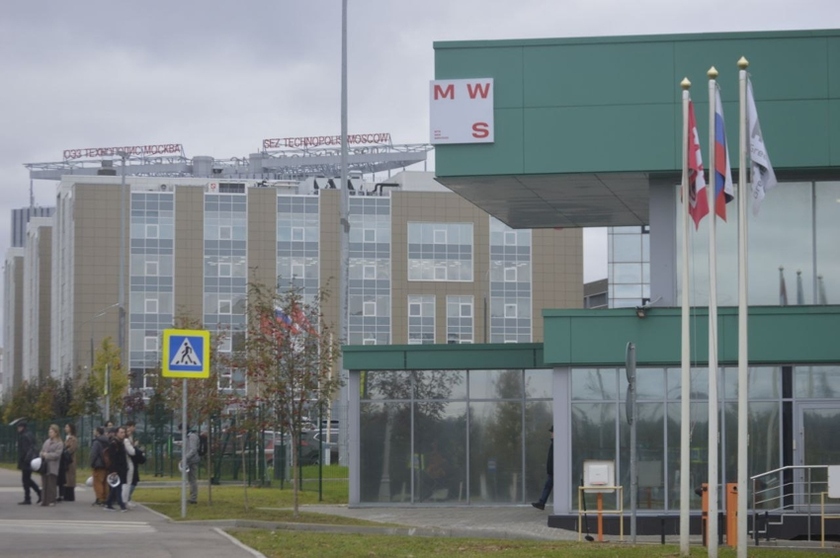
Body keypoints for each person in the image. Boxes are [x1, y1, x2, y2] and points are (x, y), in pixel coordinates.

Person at [16, 420, 42, 505]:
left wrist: (22, 459)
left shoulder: (23, 436)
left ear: (22, 427)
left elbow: (24, 450)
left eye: (19, 427)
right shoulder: (30, 435)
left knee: (25, 480)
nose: (18, 429)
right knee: (27, 479)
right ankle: (37, 493)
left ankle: (29, 497)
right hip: (31, 459)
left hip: (26, 460)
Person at [39, 424, 64, 507]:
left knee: (51, 484)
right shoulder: (47, 441)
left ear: (56, 433)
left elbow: (57, 455)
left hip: (53, 466)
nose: (50, 433)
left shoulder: (59, 443)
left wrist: (47, 455)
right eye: (49, 432)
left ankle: (52, 500)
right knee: (44, 483)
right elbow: (41, 451)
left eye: (51, 432)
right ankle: (44, 500)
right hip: (45, 466)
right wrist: (42, 454)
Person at [105, 426, 128, 511]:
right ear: (116, 433)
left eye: (124, 432)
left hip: (121, 468)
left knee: (115, 487)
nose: (123, 434)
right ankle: (121, 505)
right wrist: (113, 470)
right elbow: (112, 458)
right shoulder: (114, 443)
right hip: (116, 469)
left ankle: (108, 503)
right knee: (118, 487)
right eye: (121, 432)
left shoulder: (120, 443)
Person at [531, 425, 554, 511]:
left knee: (548, 486)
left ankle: (542, 502)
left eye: (552, 432)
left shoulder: (556, 444)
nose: (551, 434)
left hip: (554, 471)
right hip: (552, 471)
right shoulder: (554, 443)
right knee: (548, 486)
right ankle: (541, 503)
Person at [179, 423, 200, 504]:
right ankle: (192, 497)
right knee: (190, 480)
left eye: (181, 430)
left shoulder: (192, 437)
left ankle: (193, 498)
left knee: (192, 480)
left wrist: (185, 458)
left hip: (192, 460)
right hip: (188, 461)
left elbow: (193, 450)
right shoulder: (187, 437)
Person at [89, 426, 109, 506]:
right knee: (105, 482)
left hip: (98, 464)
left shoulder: (96, 442)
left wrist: (92, 463)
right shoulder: (107, 441)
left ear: (97, 432)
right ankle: (105, 497)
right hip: (106, 464)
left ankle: (100, 499)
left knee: (97, 482)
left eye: (94, 431)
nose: (93, 432)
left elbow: (94, 454)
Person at [122, 420, 137, 506]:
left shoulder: (122, 440)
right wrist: (134, 447)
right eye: (127, 431)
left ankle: (124, 500)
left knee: (125, 483)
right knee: (127, 483)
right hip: (128, 463)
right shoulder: (126, 441)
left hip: (124, 463)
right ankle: (125, 500)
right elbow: (132, 452)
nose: (129, 432)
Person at [62, 423, 78, 502]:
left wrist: (65, 451)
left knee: (70, 476)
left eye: (67, 427)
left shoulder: (73, 438)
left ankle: (70, 495)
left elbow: (72, 448)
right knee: (66, 476)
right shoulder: (67, 437)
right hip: (65, 459)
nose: (65, 428)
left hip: (70, 460)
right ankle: (65, 494)